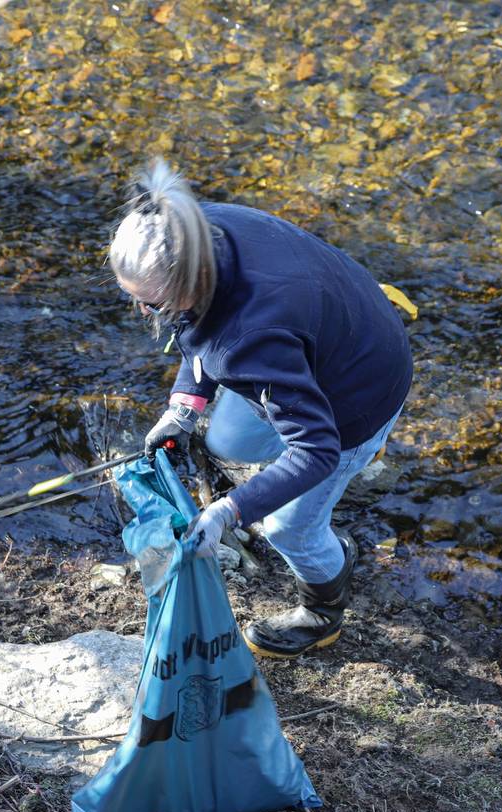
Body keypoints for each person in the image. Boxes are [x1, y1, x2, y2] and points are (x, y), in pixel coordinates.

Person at [110, 159, 412, 660]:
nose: (146, 314)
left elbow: (316, 449)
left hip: (359, 395)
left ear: (193, 283)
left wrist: (232, 510)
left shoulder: (252, 337)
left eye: (156, 306)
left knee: (287, 528)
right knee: (226, 442)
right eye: (135, 300)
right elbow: (196, 334)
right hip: (332, 332)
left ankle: (322, 613)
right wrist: (183, 407)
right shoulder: (191, 227)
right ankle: (294, 511)